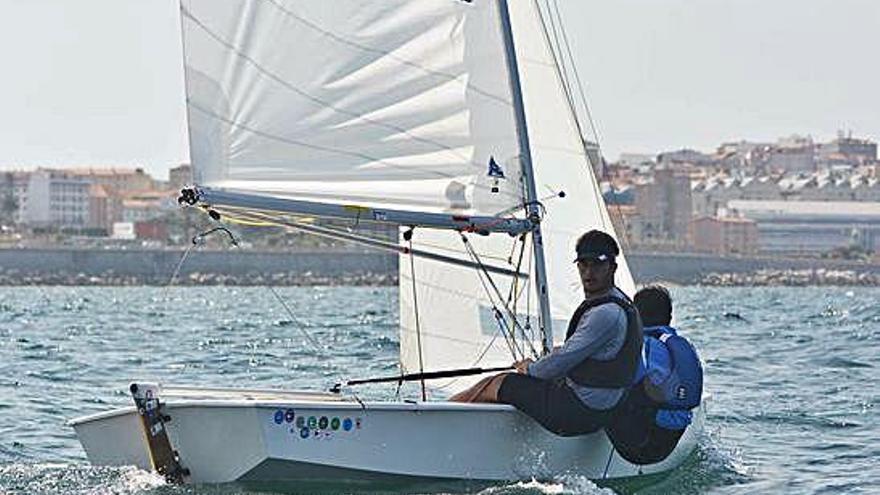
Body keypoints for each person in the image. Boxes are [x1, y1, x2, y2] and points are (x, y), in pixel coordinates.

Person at [450, 230, 643, 437]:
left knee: (498, 383)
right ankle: (450, 411)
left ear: (612, 267)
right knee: (512, 382)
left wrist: (529, 369)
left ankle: (444, 418)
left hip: (582, 412)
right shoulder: (621, 302)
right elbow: (580, 355)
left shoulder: (605, 313)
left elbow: (558, 363)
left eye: (597, 264)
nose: (589, 273)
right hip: (604, 407)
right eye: (584, 264)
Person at [605, 285, 704, 464]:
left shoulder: (642, 345)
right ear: (669, 317)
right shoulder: (677, 345)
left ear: (635, 315)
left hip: (643, 442)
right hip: (674, 436)